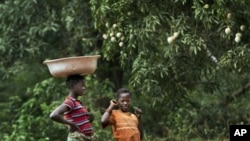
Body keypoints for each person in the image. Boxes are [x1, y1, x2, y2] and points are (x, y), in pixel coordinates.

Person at [49, 74, 95, 141]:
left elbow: (79, 120)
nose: (84, 88)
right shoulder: (70, 101)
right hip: (76, 138)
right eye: (82, 85)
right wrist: (71, 124)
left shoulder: (77, 102)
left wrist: (89, 119)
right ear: (72, 86)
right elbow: (53, 115)